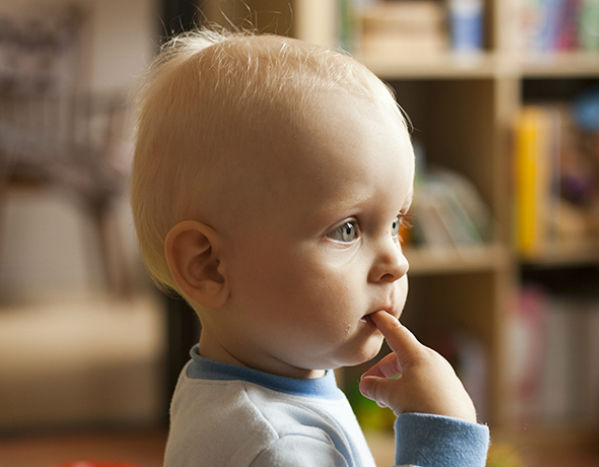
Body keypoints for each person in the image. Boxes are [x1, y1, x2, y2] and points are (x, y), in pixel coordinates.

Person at [130, 28, 490, 467]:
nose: (396, 262)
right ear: (209, 265)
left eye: (396, 222)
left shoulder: (244, 384)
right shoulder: (278, 446)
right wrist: (443, 439)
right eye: (347, 229)